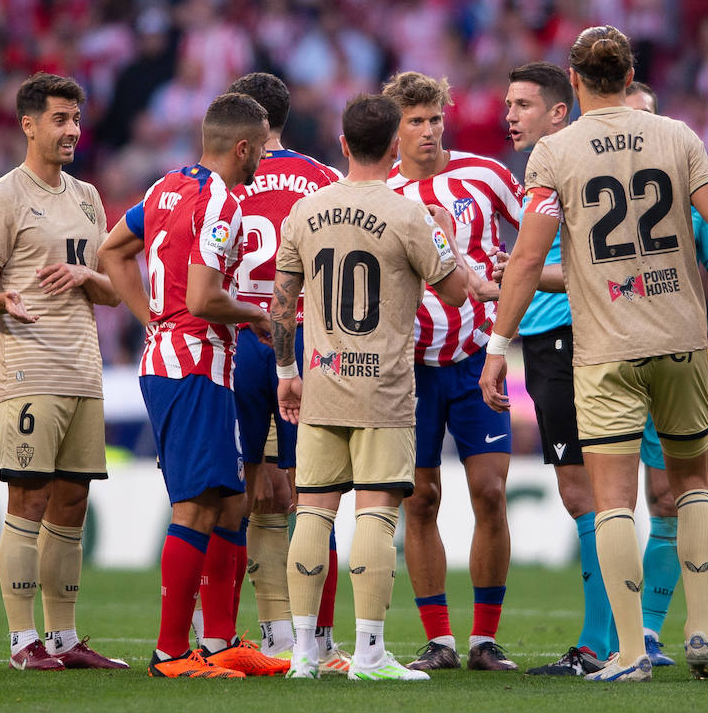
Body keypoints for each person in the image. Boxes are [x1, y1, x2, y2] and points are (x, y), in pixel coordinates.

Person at [481, 25, 708, 682]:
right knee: (692, 487)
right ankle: (698, 629)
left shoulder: (556, 152)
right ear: (628, 72)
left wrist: (499, 343)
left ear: (573, 84)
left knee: (612, 501)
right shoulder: (679, 138)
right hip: (679, 339)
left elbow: (525, 258)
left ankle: (629, 653)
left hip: (606, 347)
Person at [274, 93, 476, 680]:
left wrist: (288, 372)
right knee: (376, 516)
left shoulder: (304, 212)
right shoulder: (407, 213)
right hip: (383, 389)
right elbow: (459, 290)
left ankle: (305, 654)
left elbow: (282, 307)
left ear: (342, 145)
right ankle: (368, 654)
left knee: (311, 513)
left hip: (322, 383)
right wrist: (447, 235)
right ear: (394, 147)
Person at [97, 92, 284, 679]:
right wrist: (255, 316)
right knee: (198, 506)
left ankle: (223, 642)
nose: (263, 163)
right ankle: (172, 652)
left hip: (190, 362)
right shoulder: (221, 202)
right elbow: (203, 298)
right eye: (260, 151)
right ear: (244, 146)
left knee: (231, 503)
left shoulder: (166, 187)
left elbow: (112, 250)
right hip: (192, 366)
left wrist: (150, 316)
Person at [0, 73, 128, 672]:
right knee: (28, 498)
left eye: (76, 119)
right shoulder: (1, 199)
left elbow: (113, 291)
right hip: (29, 367)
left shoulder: (87, 197)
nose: (72, 130)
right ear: (28, 124)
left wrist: (89, 278)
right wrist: (3, 300)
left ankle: (63, 638)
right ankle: (21, 641)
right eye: (60, 119)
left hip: (83, 368)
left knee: (73, 502)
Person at [382, 71, 521, 672]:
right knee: (420, 501)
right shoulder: (379, 193)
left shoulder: (486, 175)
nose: (429, 131)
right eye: (415, 121)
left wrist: (514, 279)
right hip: (407, 369)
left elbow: (544, 233)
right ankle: (438, 639)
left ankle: (484, 639)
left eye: (436, 118)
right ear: (394, 130)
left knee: (490, 492)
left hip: (475, 361)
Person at [223, 72, 348, 671]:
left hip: (237, 337)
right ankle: (316, 640)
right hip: (306, 338)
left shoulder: (221, 177)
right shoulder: (323, 178)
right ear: (286, 117)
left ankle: (226, 634)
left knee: (238, 494)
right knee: (311, 494)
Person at [497, 60, 613, 677]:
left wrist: (501, 293)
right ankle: (625, 633)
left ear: (559, 111)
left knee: (584, 490)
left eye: (522, 105)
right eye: (508, 104)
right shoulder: (551, 168)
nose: (508, 116)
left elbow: (584, 269)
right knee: (599, 489)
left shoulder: (560, 166)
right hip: (569, 338)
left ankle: (603, 641)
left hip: (566, 336)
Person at [623, 79, 708, 668]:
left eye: (647, 118)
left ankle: (653, 631)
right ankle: (613, 633)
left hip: (672, 352)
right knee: (608, 499)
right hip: (605, 356)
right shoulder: (588, 185)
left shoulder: (688, 195)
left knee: (667, 496)